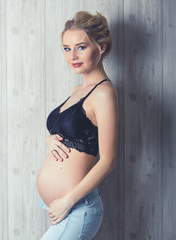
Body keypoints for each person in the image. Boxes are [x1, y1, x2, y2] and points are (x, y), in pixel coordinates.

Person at [36, 10, 119, 240]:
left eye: (81, 47)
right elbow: (69, 130)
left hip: (77, 207)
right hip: (63, 207)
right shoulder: (78, 91)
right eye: (66, 48)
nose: (72, 55)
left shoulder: (104, 93)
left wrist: (67, 201)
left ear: (101, 47)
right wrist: (49, 138)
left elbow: (108, 161)